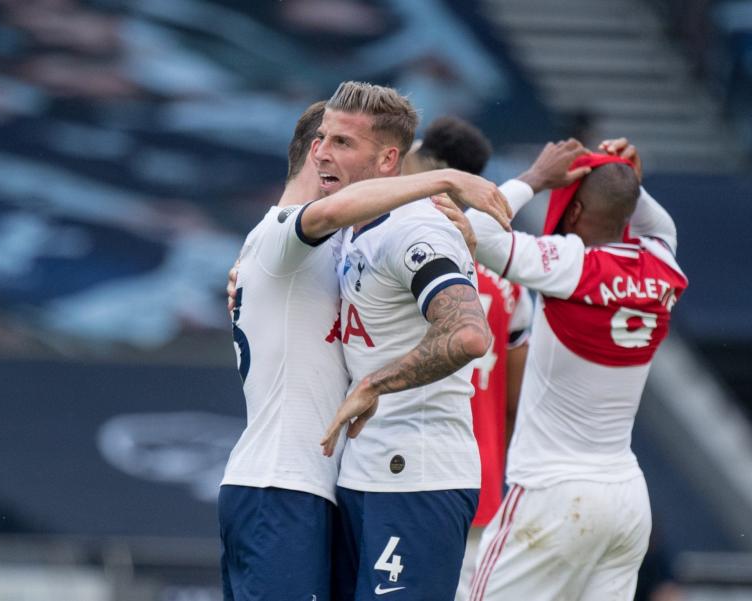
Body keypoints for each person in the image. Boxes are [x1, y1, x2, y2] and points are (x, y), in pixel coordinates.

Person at [219, 96, 511, 601]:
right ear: (309, 156)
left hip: (341, 480)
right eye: (323, 143)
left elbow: (419, 248)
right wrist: (447, 180)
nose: (327, 154)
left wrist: (468, 229)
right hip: (280, 482)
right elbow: (336, 211)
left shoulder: (344, 244)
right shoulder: (282, 232)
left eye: (342, 142)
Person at [463, 138, 689, 601]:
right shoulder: (662, 260)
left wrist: (536, 177)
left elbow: (476, 233)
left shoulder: (571, 263)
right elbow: (655, 222)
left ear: (576, 206)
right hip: (625, 498)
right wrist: (624, 178)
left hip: (551, 493)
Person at [399, 115, 534, 601]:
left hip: (407, 475)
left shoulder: (399, 255)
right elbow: (516, 400)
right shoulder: (509, 284)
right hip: (480, 483)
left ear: (432, 166)